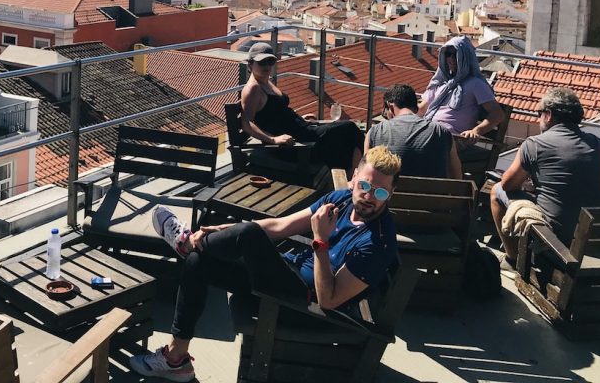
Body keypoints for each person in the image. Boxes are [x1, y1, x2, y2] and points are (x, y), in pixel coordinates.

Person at [128, 146, 402, 382]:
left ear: (391, 193)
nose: (368, 196)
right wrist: (223, 230)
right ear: (354, 178)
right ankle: (176, 360)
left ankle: (185, 242)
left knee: (246, 236)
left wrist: (320, 240)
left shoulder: (377, 243)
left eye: (379, 193)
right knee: (198, 261)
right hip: (285, 275)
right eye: (365, 186)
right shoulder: (341, 199)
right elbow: (280, 226)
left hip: (304, 306)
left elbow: (328, 300)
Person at [491, 87, 600, 262]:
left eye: (538, 113)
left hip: (556, 241)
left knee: (495, 191)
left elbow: (507, 184)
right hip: (593, 236)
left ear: (548, 115)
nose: (538, 119)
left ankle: (512, 259)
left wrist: (528, 184)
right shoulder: (598, 144)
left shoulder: (535, 144)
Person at [239, 42, 364, 175]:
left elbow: (276, 113)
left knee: (345, 138)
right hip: (292, 145)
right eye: (262, 62)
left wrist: (299, 118)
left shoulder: (266, 81)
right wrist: (273, 140)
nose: (267, 66)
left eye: (270, 61)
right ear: (251, 64)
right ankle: (356, 177)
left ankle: (352, 177)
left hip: (302, 131)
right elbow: (246, 123)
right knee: (350, 129)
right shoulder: (253, 89)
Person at [420, 36, 505, 157]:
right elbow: (422, 109)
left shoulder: (476, 84)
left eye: (456, 54)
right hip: (430, 131)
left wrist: (476, 131)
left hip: (453, 139)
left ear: (466, 56)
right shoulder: (441, 83)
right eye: (448, 54)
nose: (451, 58)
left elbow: (498, 114)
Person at [365, 83, 462, 179]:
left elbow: (365, 173)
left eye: (385, 114)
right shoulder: (442, 132)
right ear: (415, 108)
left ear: (390, 106)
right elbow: (457, 176)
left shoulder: (375, 132)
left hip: (390, 194)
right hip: (433, 194)